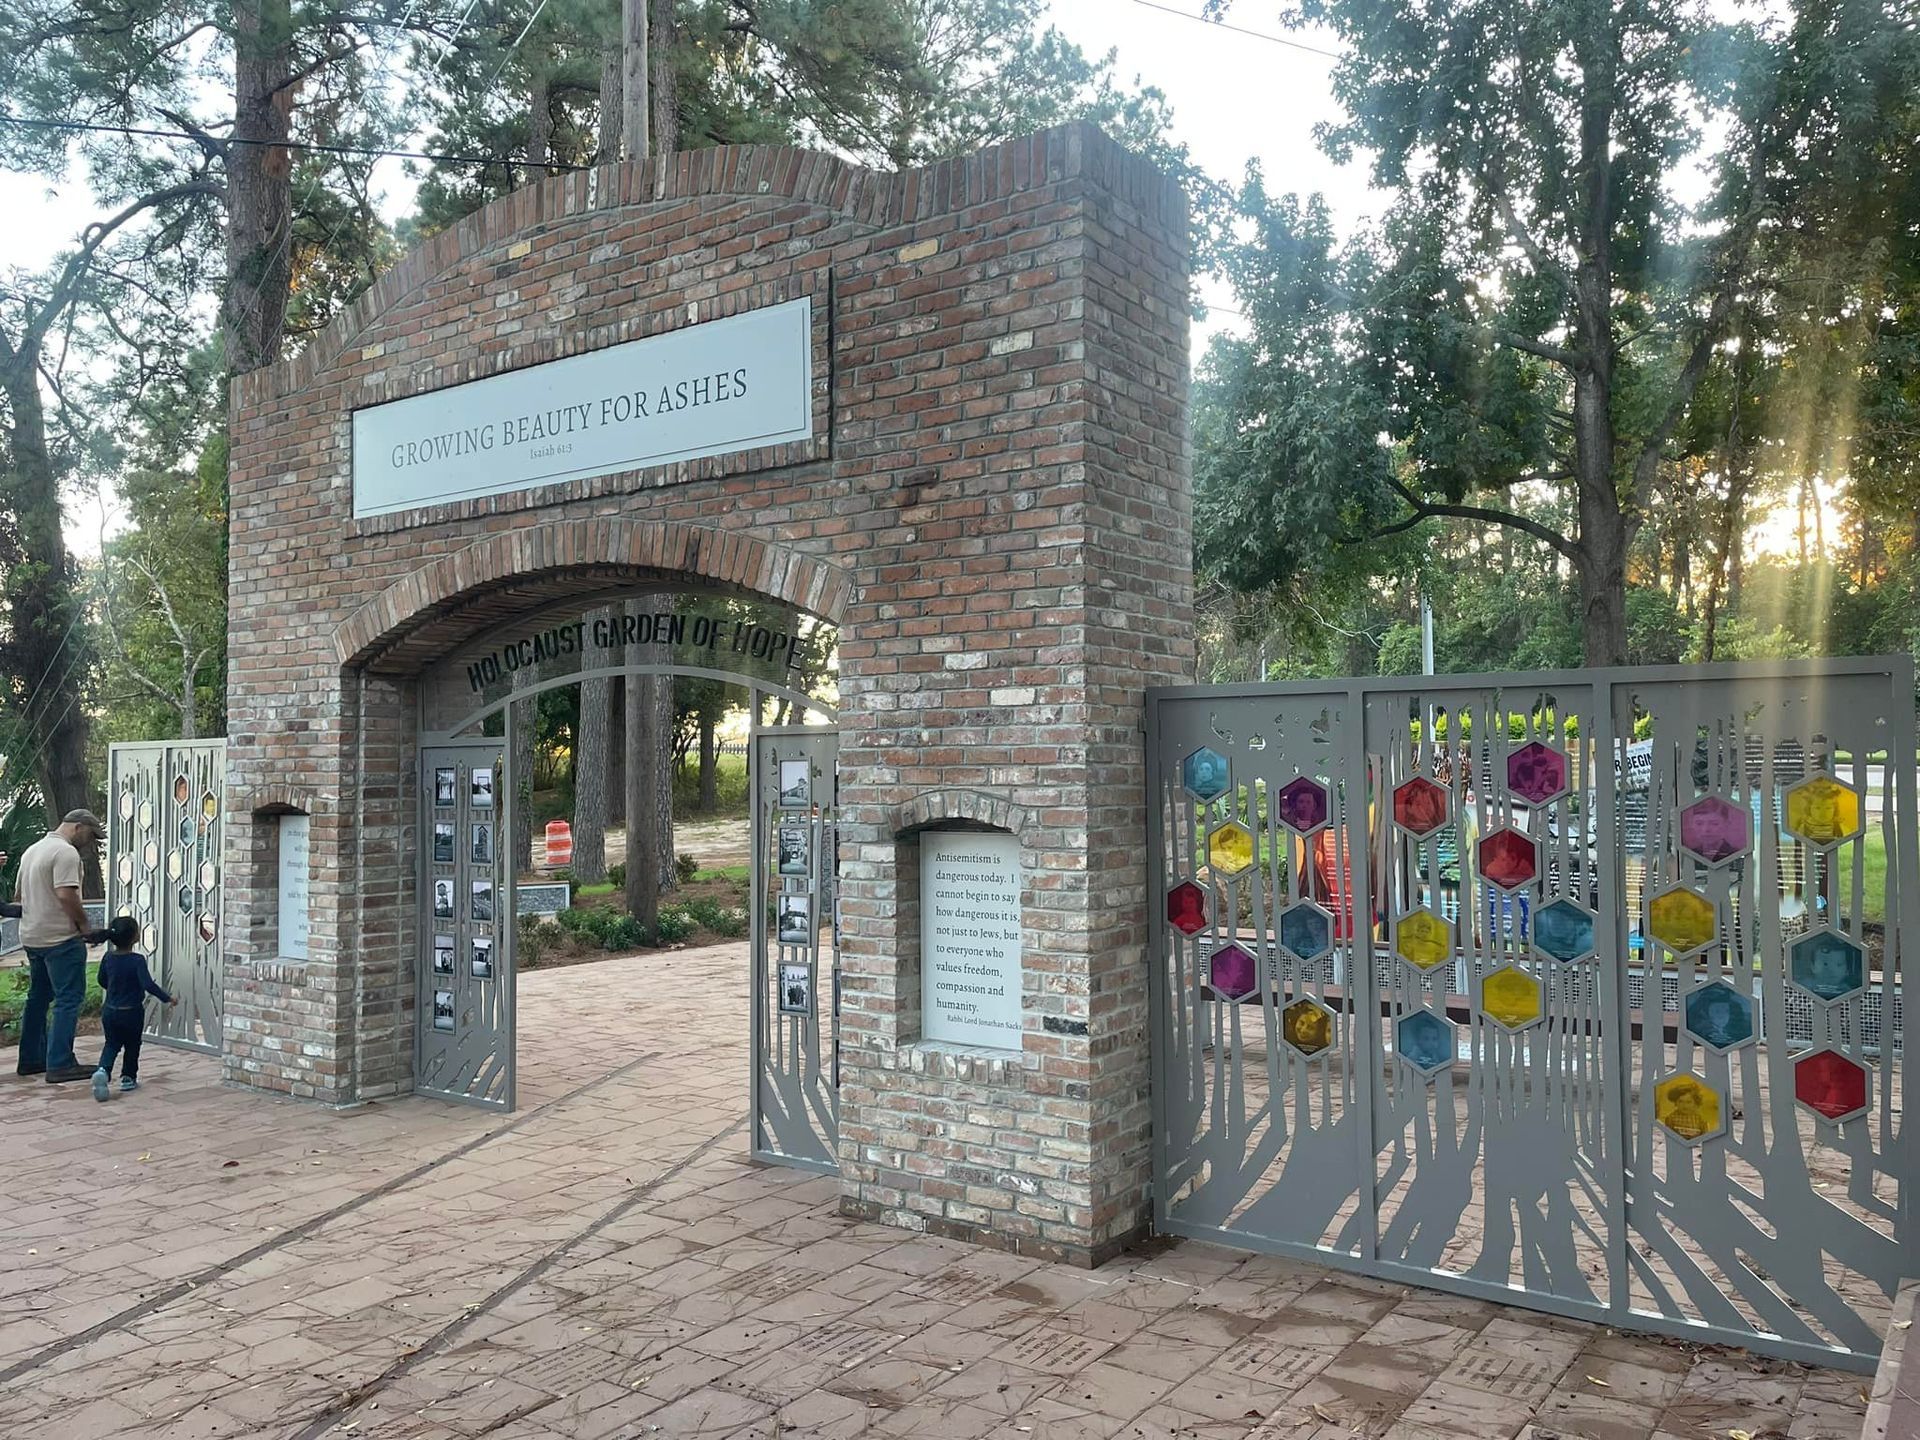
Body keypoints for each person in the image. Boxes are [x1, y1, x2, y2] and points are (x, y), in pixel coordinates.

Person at [14, 810, 104, 1083]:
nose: (91, 842)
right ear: (78, 827)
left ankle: (31, 1060)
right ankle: (60, 1063)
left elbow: (18, 896)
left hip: (32, 937)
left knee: (38, 998)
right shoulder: (65, 853)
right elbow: (66, 894)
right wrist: (85, 926)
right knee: (68, 999)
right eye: (91, 835)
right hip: (60, 939)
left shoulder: (33, 850)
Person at [90, 917, 174, 1100]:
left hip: (110, 1010)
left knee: (111, 1044)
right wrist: (168, 998)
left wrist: (113, 988)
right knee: (132, 1044)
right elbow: (148, 985)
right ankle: (128, 1078)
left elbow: (101, 980)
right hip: (132, 1011)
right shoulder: (137, 960)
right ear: (135, 937)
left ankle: (103, 1070)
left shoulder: (108, 957)